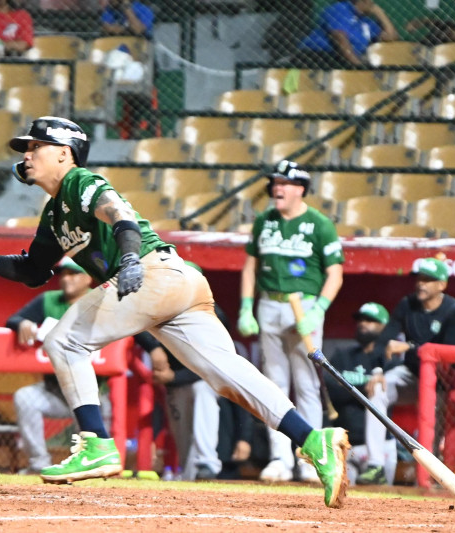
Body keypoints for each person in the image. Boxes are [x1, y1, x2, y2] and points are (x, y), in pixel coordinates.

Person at [0, 116, 350, 508]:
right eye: (27, 148)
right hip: (177, 283)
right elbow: (33, 270)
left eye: (35, 146)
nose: (28, 153)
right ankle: (315, 440)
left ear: (64, 153)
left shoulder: (79, 181)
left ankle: (96, 444)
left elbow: (120, 215)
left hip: (151, 270)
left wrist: (128, 260)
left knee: (64, 340)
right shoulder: (54, 216)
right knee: (228, 374)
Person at [238, 160, 344, 483]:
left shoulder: (319, 224)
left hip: (305, 307)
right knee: (274, 384)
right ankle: (280, 459)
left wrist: (319, 309)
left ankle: (311, 460)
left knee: (308, 385)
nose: (277, 188)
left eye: (284, 183)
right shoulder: (264, 222)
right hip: (270, 304)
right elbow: (249, 267)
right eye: (275, 183)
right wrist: (246, 307)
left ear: (300, 188)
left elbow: (335, 273)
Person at [357, 257, 455, 485]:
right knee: (377, 390)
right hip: (410, 374)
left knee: (432, 432)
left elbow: (447, 351)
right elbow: (384, 341)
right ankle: (376, 465)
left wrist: (409, 347)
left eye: (428, 280)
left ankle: (430, 473)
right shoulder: (407, 304)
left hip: (440, 381)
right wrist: (378, 370)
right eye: (419, 278)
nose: (421, 284)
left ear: (442, 285)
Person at [6, 257, 104, 474]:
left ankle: (92, 463)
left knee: (105, 407)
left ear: (89, 277)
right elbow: (12, 319)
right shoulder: (49, 300)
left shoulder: (101, 300)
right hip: (55, 391)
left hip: (97, 392)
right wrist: (23, 322)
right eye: (63, 274)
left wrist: (153, 350)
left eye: (73, 273)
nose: (66, 278)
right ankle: (38, 464)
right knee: (24, 397)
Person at [146, 261, 229, 481]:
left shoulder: (214, 315)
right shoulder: (161, 305)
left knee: (202, 390)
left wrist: (175, 377)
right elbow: (135, 323)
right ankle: (191, 477)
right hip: (175, 384)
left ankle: (207, 464)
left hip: (204, 380)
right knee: (183, 444)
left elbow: (215, 365)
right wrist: (154, 348)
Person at [324, 302, 398, 485]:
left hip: (381, 449)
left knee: (383, 503)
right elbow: (331, 391)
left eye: (371, 320)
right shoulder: (342, 355)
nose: (363, 324)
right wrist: (365, 388)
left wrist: (349, 389)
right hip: (345, 446)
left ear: (384, 327)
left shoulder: (389, 361)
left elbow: (387, 396)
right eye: (361, 320)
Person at [296, 0, 399, 67]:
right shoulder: (340, 9)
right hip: (318, 56)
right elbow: (340, 39)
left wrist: (380, 14)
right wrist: (357, 66)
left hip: (346, 60)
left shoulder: (366, 21)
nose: (373, 2)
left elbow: (391, 36)